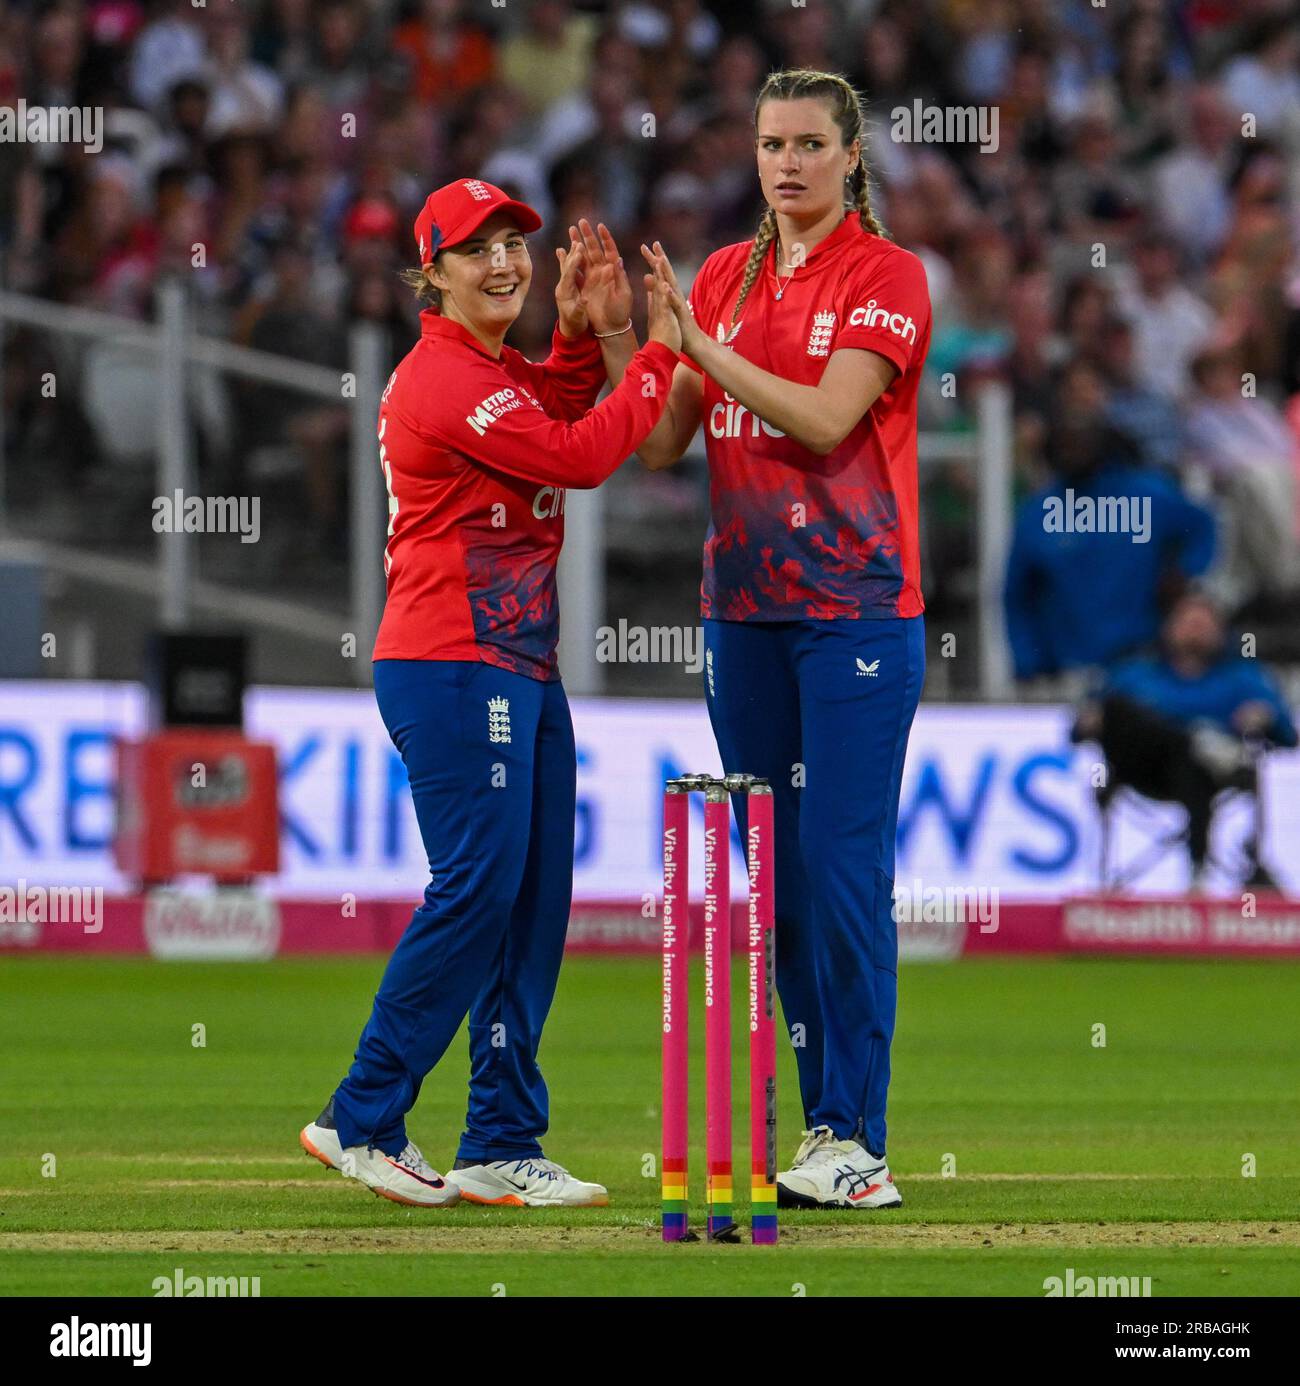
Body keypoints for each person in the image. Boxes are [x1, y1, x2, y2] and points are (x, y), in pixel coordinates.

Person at [301, 179, 681, 1208]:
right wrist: (657, 356)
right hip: (455, 661)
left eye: (514, 241)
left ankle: (499, 1139)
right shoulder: (442, 376)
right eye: (477, 251)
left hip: (515, 661)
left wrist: (579, 336)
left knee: (528, 903)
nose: (506, 262)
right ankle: (362, 1115)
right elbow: (578, 455)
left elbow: (551, 408)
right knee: (476, 892)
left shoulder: (488, 370)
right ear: (432, 275)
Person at [639, 69, 931, 1210]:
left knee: (842, 873)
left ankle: (857, 1139)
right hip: (741, 614)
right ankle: (814, 1127)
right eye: (771, 143)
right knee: (780, 892)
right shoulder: (719, 274)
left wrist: (698, 347)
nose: (788, 162)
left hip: (855, 612)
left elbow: (821, 415)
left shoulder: (886, 274)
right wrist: (631, 341)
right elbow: (664, 443)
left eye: (811, 142)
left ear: (851, 156)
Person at [1073, 591, 1297, 889]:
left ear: (1221, 632)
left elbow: (1287, 735)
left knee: (1190, 761)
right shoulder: (1136, 672)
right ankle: (1198, 742)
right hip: (1142, 767)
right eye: (1188, 622)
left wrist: (1264, 716)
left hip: (1203, 777)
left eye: (1203, 624)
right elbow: (1078, 730)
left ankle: (1197, 874)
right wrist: (1091, 720)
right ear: (1168, 628)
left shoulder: (1242, 677)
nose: (1195, 631)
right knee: (1119, 709)